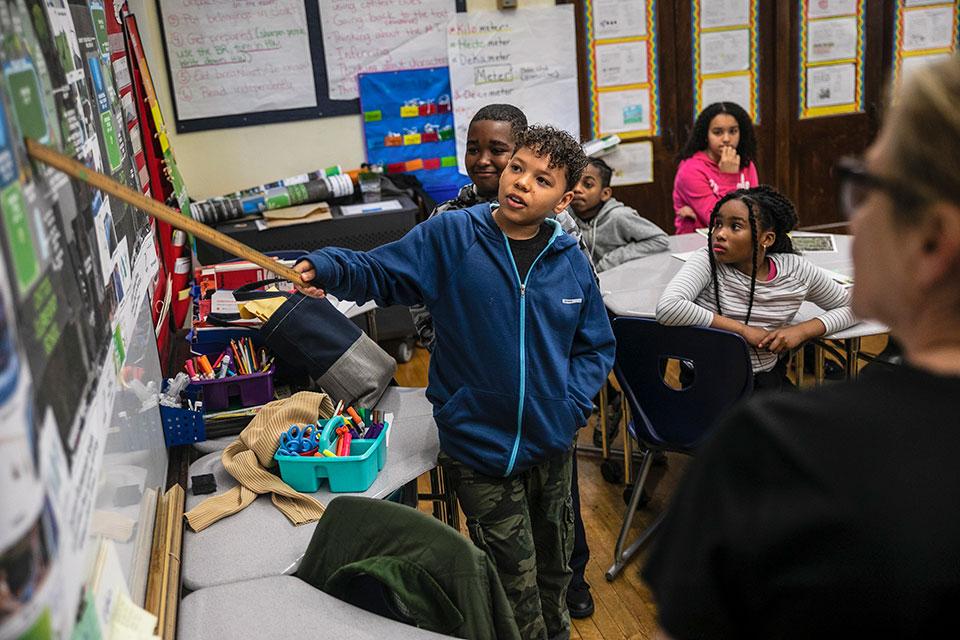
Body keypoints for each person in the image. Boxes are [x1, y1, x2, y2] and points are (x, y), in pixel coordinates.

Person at [643, 56, 960, 638]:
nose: (852, 220)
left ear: (935, 237)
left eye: (864, 187)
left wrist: (804, 329)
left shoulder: (779, 450)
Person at [293, 125, 616, 640]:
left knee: (556, 568)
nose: (521, 184)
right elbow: (380, 271)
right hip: (478, 447)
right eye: (518, 168)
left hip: (551, 443)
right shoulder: (453, 236)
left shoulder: (570, 260)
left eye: (542, 179)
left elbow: (594, 345)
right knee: (511, 579)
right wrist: (327, 266)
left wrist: (569, 406)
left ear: (565, 198)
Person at [408, 104, 600, 620]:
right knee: (511, 566)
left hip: (545, 419)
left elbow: (583, 326)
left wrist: (570, 404)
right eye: (475, 149)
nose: (485, 160)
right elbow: (417, 297)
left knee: (557, 533)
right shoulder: (451, 223)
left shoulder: (562, 237)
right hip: (482, 417)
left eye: (499, 150)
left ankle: (568, 585)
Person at [656, 185, 856, 391]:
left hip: (763, 380)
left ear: (766, 239)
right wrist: (744, 331)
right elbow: (668, 308)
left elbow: (854, 308)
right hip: (704, 382)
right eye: (717, 224)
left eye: (735, 226)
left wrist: (802, 331)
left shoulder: (796, 272)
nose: (720, 234)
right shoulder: (707, 260)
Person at [569, 157, 669, 272]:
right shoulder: (564, 217)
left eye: (588, 184)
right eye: (573, 182)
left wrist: (613, 259)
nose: (577, 189)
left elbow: (660, 240)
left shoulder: (618, 216)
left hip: (623, 280)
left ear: (605, 193)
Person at [673, 102, 759, 234]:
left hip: (741, 241)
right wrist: (729, 177)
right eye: (718, 132)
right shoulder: (690, 170)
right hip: (698, 245)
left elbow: (756, 212)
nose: (726, 139)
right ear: (706, 135)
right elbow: (719, 220)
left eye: (733, 131)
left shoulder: (746, 164)